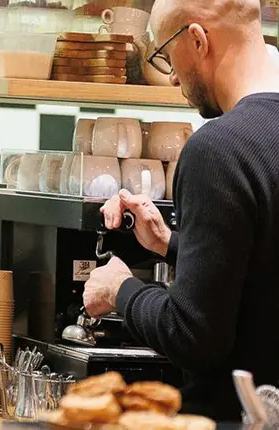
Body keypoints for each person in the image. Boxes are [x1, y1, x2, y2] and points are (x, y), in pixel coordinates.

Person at [83, 0, 279, 421]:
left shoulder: (219, 149)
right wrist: (175, 246)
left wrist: (120, 289)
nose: (172, 75)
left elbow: (194, 334)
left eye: (167, 54)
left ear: (197, 39)